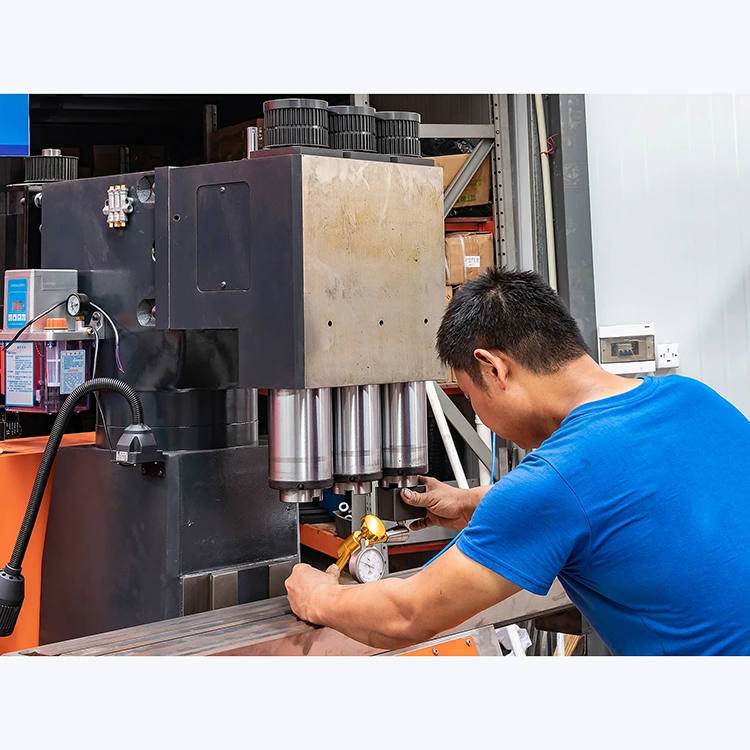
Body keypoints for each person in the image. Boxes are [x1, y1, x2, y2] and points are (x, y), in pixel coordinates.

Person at [285, 268, 750, 655]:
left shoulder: (556, 483)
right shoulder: (693, 397)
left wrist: (319, 597)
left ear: (494, 369)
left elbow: (408, 615)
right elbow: (624, 492)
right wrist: (473, 502)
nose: (479, 412)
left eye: (470, 396)